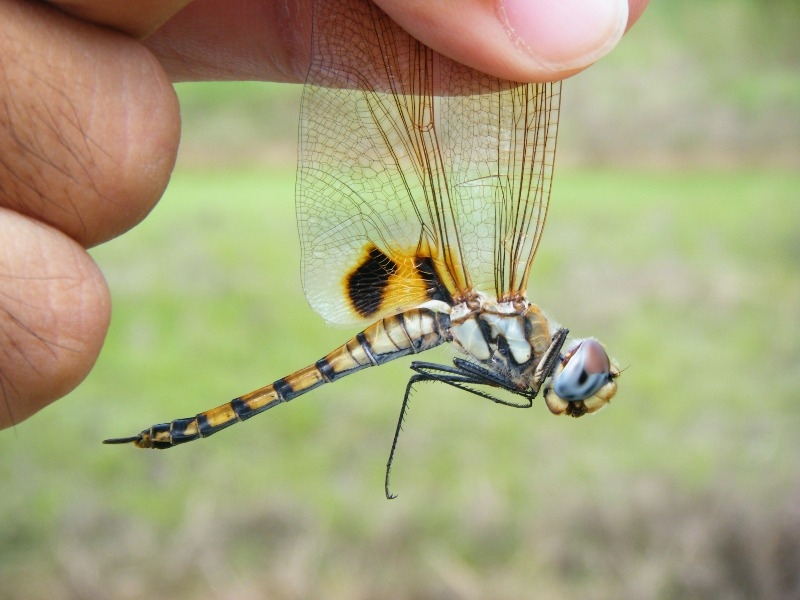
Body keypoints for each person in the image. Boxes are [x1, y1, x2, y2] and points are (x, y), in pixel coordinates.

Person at [0, 0, 648, 430]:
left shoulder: (517, 347)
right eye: (583, 374)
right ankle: (191, 426)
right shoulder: (512, 322)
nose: (580, 379)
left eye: (582, 379)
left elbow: (443, 374)